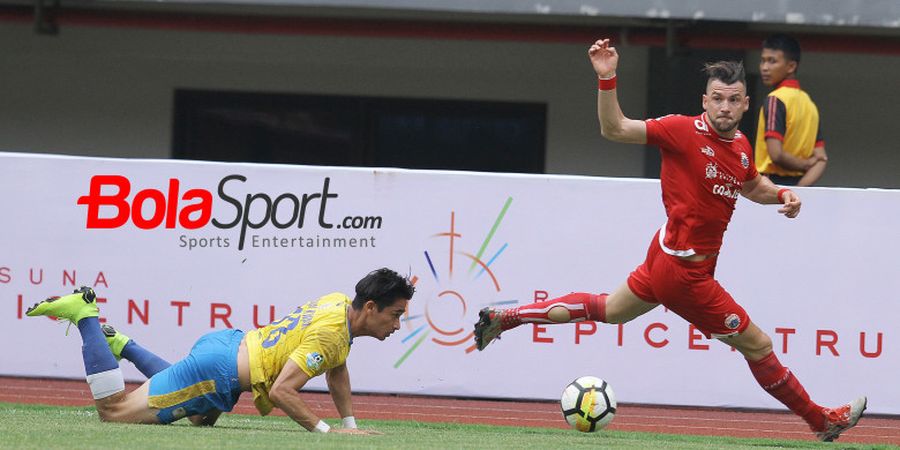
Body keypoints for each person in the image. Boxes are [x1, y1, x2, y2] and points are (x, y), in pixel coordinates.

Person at [473, 38, 865, 442]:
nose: (725, 107)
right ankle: (823, 421)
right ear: (705, 101)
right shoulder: (681, 130)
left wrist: (782, 193)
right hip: (685, 275)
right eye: (718, 99)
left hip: (666, 256)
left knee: (608, 310)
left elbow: (752, 186)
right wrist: (607, 78)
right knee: (759, 345)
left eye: (733, 100)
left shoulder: (742, 147)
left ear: (746, 104)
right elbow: (615, 128)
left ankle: (507, 317)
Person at [26, 267, 414, 433]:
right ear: (369, 308)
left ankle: (122, 344)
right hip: (220, 370)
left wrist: (351, 424)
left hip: (229, 343)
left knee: (199, 421)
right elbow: (281, 391)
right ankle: (85, 315)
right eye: (395, 315)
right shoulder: (332, 334)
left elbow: (337, 369)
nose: (396, 326)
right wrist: (329, 432)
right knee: (113, 413)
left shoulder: (339, 303)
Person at [755, 34, 827, 186]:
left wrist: (805, 165)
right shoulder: (809, 104)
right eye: (762, 61)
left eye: (772, 61)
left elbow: (776, 154)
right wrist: (799, 190)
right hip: (799, 186)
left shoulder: (775, 99)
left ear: (791, 66)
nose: (764, 67)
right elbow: (821, 159)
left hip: (770, 184)